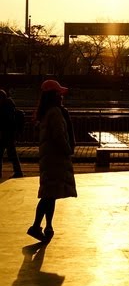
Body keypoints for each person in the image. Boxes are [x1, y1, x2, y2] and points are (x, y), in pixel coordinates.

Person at [27, 79, 77, 243]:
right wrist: (68, 150)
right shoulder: (55, 112)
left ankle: (48, 225)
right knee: (49, 195)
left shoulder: (46, 112)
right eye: (59, 93)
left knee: (51, 193)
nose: (62, 96)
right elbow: (59, 136)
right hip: (56, 159)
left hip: (49, 158)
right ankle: (36, 226)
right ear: (54, 95)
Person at [0, 89, 24, 178]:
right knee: (12, 154)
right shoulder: (10, 106)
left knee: (9, 154)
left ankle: (18, 172)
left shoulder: (5, 107)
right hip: (9, 134)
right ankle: (18, 171)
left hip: (5, 134)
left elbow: (6, 121)